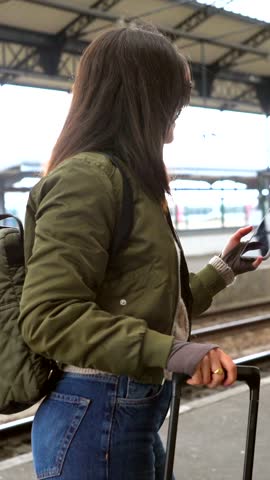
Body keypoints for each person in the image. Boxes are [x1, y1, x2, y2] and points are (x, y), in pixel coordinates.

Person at [18, 24, 262, 480]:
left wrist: (224, 269)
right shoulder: (87, 180)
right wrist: (175, 353)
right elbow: (49, 316)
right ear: (141, 98)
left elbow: (145, 300)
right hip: (95, 415)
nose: (175, 116)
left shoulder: (132, 182)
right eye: (172, 100)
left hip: (127, 413)